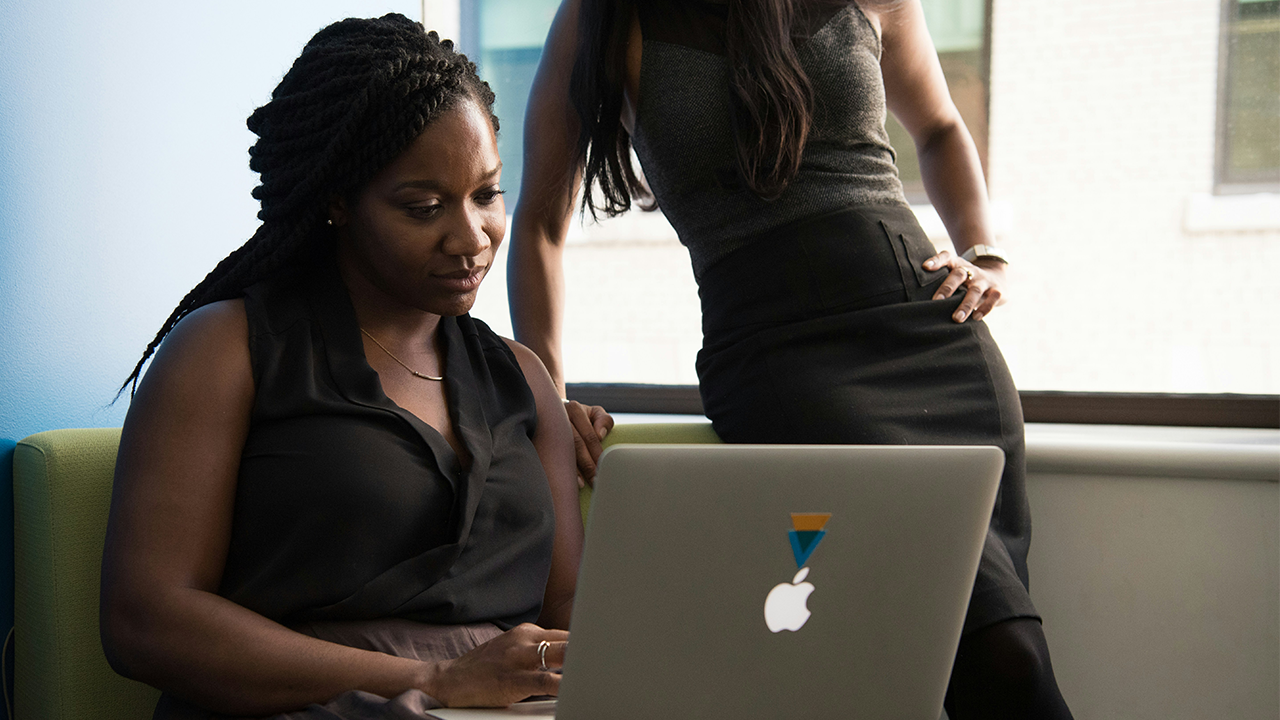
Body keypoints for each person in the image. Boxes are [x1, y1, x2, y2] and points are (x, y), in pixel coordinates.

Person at [508, 0, 1074, 717]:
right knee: (958, 657)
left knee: (1000, 652)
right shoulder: (605, 14)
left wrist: (986, 252)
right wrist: (552, 404)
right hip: (778, 364)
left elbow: (938, 128)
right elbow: (537, 224)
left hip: (933, 340)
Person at [100, 15, 583, 719]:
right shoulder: (226, 349)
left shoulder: (521, 378)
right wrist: (435, 680)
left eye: (486, 194)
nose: (472, 237)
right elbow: (147, 622)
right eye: (423, 207)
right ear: (337, 205)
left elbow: (573, 610)